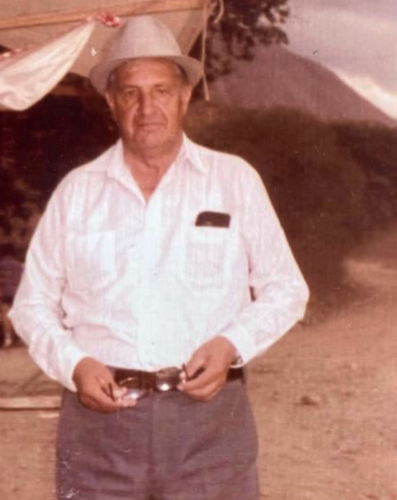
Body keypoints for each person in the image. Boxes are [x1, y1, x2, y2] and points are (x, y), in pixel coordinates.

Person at [9, 16, 309, 500]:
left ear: (185, 96)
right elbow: (31, 305)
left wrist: (232, 342)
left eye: (161, 91)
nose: (147, 108)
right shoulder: (77, 193)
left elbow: (287, 290)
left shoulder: (234, 181)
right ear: (111, 101)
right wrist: (75, 364)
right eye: (131, 92)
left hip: (211, 430)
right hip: (99, 435)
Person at [0, 243, 24, 348]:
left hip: (5, 293)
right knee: (19, 314)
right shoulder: (19, 265)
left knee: (6, 315)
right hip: (17, 292)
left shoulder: (1, 265)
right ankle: (22, 337)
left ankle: (8, 338)